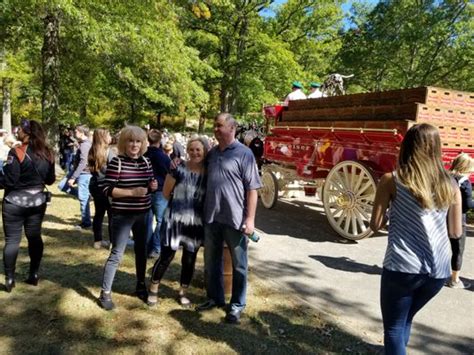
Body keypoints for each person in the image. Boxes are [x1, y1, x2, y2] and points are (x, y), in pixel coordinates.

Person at [370, 123, 462, 355]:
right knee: (405, 320)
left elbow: (375, 225)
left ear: (407, 147)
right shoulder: (451, 184)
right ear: (436, 149)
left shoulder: (392, 180)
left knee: (393, 328)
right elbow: (456, 232)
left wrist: (397, 211)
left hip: (402, 267)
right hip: (438, 271)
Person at [196, 113, 261, 324]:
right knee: (211, 262)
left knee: (239, 265)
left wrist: (250, 220)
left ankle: (237, 305)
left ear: (232, 129)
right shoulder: (212, 154)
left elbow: (252, 189)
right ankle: (215, 298)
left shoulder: (244, 154)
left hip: (235, 220)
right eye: (214, 125)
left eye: (219, 125)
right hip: (212, 216)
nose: (215, 129)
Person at [98, 126, 157, 310]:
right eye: (131, 141)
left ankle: (140, 285)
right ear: (124, 142)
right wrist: (131, 192)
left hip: (144, 214)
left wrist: (153, 186)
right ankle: (105, 293)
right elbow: (107, 190)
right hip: (123, 216)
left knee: (141, 251)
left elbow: (149, 183)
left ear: (143, 143)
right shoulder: (118, 162)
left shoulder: (146, 162)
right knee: (117, 254)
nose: (134, 145)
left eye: (138, 141)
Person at [147, 135, 208, 308]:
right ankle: (154, 287)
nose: (195, 153)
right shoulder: (178, 167)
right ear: (186, 151)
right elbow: (166, 193)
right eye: (191, 149)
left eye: (198, 149)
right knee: (166, 257)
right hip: (174, 219)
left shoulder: (209, 171)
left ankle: (183, 292)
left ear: (204, 151)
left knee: (189, 260)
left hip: (196, 223)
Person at [0, 119, 55, 292]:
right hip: (37, 203)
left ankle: (10, 279)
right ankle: (34, 274)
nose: (17, 133)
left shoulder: (16, 152)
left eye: (20, 131)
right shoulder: (48, 153)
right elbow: (50, 180)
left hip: (14, 203)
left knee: (12, 240)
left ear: (27, 133)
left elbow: (9, 180)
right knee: (34, 237)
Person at [447, 153, 474, 289]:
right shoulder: (465, 183)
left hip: (442, 216)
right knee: (458, 249)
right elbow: (468, 205)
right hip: (458, 219)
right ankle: (455, 279)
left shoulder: (446, 177)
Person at [144, 129, 171, 259]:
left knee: (149, 221)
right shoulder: (163, 157)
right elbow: (169, 174)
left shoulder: (143, 155)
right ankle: (155, 247)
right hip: (160, 191)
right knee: (161, 221)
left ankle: (149, 246)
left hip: (147, 191)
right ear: (160, 140)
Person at [59, 125, 92, 230]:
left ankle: (86, 222)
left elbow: (83, 163)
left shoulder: (85, 145)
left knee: (83, 198)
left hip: (84, 173)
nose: (74, 133)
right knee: (62, 185)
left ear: (82, 133)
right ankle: (85, 196)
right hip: (77, 171)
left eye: (76, 131)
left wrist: (73, 177)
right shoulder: (82, 144)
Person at [88, 128, 116, 250]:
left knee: (98, 214)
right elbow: (114, 170)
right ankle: (112, 241)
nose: (110, 136)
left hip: (95, 185)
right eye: (109, 134)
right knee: (111, 215)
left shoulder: (92, 150)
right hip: (107, 187)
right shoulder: (109, 152)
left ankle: (97, 241)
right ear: (104, 137)